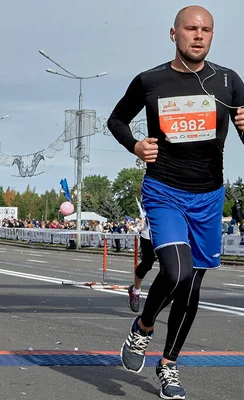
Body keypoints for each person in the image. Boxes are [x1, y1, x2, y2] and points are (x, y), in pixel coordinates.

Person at [107, 6, 244, 399]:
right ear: (173, 34)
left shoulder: (230, 81)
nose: (198, 36)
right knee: (177, 269)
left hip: (209, 196)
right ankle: (143, 327)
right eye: (190, 29)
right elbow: (116, 119)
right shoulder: (151, 81)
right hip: (164, 189)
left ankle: (168, 365)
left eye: (206, 30)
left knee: (191, 284)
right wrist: (135, 144)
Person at [127, 199, 157, 313]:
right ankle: (135, 290)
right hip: (148, 234)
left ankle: (155, 302)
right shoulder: (151, 188)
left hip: (167, 233)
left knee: (168, 267)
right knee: (147, 263)